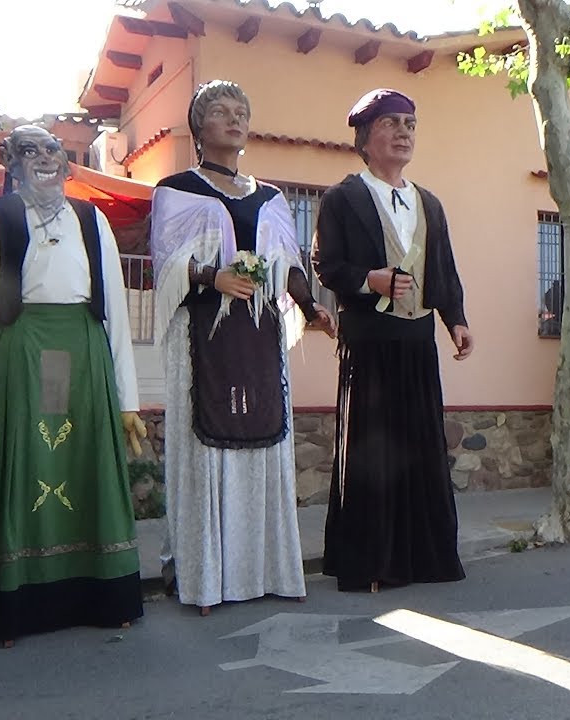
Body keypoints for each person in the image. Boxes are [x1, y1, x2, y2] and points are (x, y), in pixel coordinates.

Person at [0, 125, 146, 644]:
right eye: (28, 150)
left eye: (51, 148)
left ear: (66, 161)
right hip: (20, 355)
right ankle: (15, 604)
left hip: (84, 354)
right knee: (26, 465)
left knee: (81, 468)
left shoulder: (92, 220)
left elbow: (116, 312)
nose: (43, 158)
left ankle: (99, 596)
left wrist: (127, 401)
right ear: (11, 164)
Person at [151, 80, 335, 616]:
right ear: (198, 127)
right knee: (205, 448)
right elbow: (166, 261)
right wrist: (213, 277)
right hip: (201, 338)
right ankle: (204, 575)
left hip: (259, 338)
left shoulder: (271, 198)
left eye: (241, 112)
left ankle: (268, 569)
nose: (235, 120)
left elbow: (289, 263)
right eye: (221, 111)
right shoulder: (175, 190)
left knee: (264, 440)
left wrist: (310, 305)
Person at [314, 88, 473, 593]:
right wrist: (370, 280)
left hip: (417, 341)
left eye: (410, 124)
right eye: (392, 123)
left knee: (420, 448)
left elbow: (443, 268)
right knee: (373, 453)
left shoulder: (429, 203)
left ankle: (424, 557)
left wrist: (455, 319)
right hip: (370, 343)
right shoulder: (342, 199)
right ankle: (372, 562)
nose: (404, 132)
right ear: (365, 137)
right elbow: (326, 265)